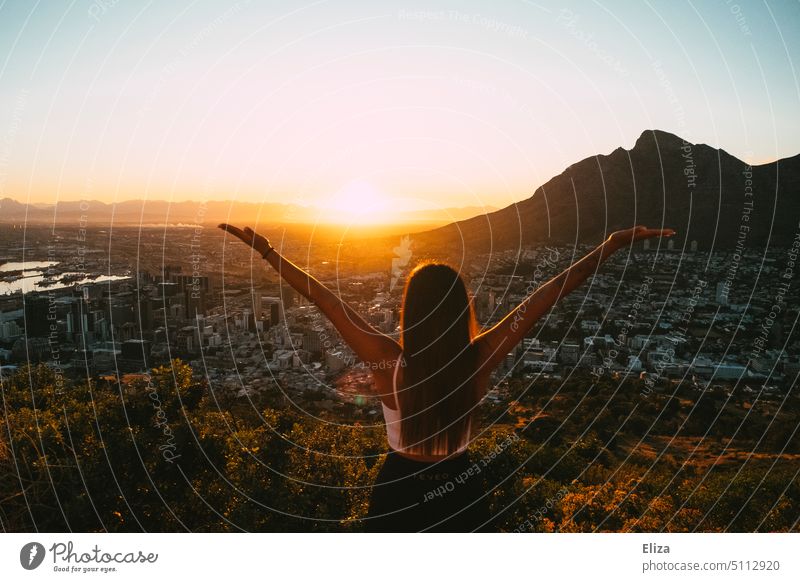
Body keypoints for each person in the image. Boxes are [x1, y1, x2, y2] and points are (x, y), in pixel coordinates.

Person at [218, 223, 675, 532]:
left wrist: (267, 252)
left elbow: (327, 302)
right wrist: (610, 246)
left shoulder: (386, 359)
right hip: (461, 488)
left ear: (409, 311)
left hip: (397, 487)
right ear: (462, 311)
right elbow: (544, 297)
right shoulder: (478, 360)